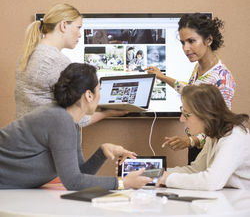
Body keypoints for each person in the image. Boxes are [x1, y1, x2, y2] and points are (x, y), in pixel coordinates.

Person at [0, 63, 152, 190]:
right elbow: (73, 182)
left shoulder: (70, 121)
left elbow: (80, 173)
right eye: (99, 89)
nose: (100, 95)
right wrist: (122, 183)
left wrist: (102, 152)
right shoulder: (60, 119)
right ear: (88, 95)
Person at [15, 3, 126, 126]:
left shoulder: (27, 55)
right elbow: (77, 117)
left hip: (24, 136)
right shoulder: (56, 61)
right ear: (63, 25)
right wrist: (108, 113)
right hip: (46, 139)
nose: (80, 34)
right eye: (78, 27)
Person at [145, 13, 236, 164]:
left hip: (211, 150)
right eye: (182, 42)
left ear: (208, 40)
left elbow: (222, 128)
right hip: (195, 147)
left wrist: (190, 141)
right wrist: (161, 76)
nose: (186, 48)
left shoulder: (222, 78)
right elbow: (190, 91)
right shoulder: (199, 67)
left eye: (191, 41)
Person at [157, 84, 250, 191]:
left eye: (186, 114)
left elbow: (211, 182)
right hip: (230, 198)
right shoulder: (213, 135)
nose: (181, 119)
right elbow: (196, 170)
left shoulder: (234, 137)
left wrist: (167, 179)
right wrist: (156, 172)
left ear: (206, 115)